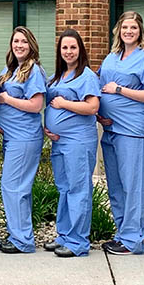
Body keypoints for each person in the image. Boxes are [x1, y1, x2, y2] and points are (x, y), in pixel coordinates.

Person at [97, 11, 144, 257]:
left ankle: (134, 240)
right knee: (116, 186)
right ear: (118, 31)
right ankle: (122, 233)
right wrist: (100, 113)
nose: (129, 32)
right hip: (110, 129)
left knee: (134, 186)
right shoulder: (111, 57)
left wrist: (119, 89)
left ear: (140, 31)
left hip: (132, 131)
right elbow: (102, 87)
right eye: (125, 27)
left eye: (133, 28)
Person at [43, 29, 100, 258]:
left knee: (79, 189)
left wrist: (64, 104)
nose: (68, 52)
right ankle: (65, 235)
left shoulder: (86, 76)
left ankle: (78, 241)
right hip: (60, 143)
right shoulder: (57, 77)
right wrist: (49, 128)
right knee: (65, 189)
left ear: (80, 50)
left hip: (78, 141)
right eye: (64, 48)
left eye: (73, 47)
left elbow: (92, 107)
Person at [0, 27, 46, 254]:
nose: (19, 45)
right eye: (15, 41)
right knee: (16, 187)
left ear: (31, 44)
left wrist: (6, 99)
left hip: (24, 138)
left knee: (13, 186)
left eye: (23, 42)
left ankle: (22, 240)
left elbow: (36, 105)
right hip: (12, 137)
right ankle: (17, 233)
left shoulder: (33, 70)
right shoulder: (11, 69)